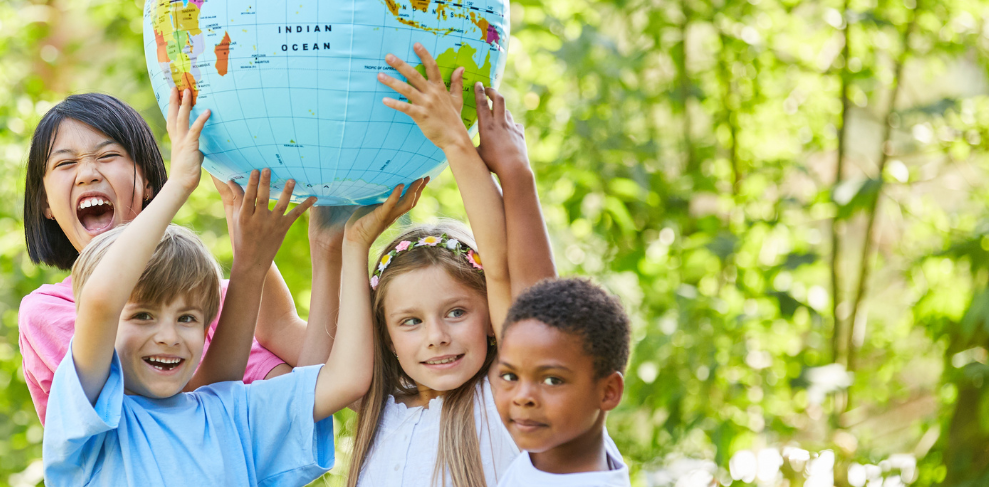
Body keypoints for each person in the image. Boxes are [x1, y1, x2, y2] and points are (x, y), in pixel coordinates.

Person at [43, 88, 426, 485]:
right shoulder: (89, 424)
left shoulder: (230, 410)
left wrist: (349, 245)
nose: (169, 336)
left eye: (188, 318)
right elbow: (102, 301)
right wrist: (180, 183)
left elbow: (344, 379)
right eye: (143, 316)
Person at [18, 92, 346, 423]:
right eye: (65, 163)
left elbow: (307, 395)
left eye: (108, 155)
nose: (87, 173)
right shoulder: (50, 310)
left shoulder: (212, 296)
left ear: (146, 182)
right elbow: (178, 415)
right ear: (45, 202)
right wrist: (247, 265)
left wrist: (329, 248)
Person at [340, 42, 528, 487]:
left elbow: (499, 265)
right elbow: (278, 327)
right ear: (384, 336)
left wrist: (454, 141)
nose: (437, 337)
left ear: (489, 319)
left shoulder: (505, 399)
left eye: (457, 312)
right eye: (409, 322)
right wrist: (353, 244)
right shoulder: (375, 408)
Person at [492, 278, 632, 487]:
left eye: (552, 380)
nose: (522, 397)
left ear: (608, 392)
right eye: (510, 376)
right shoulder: (575, 445)